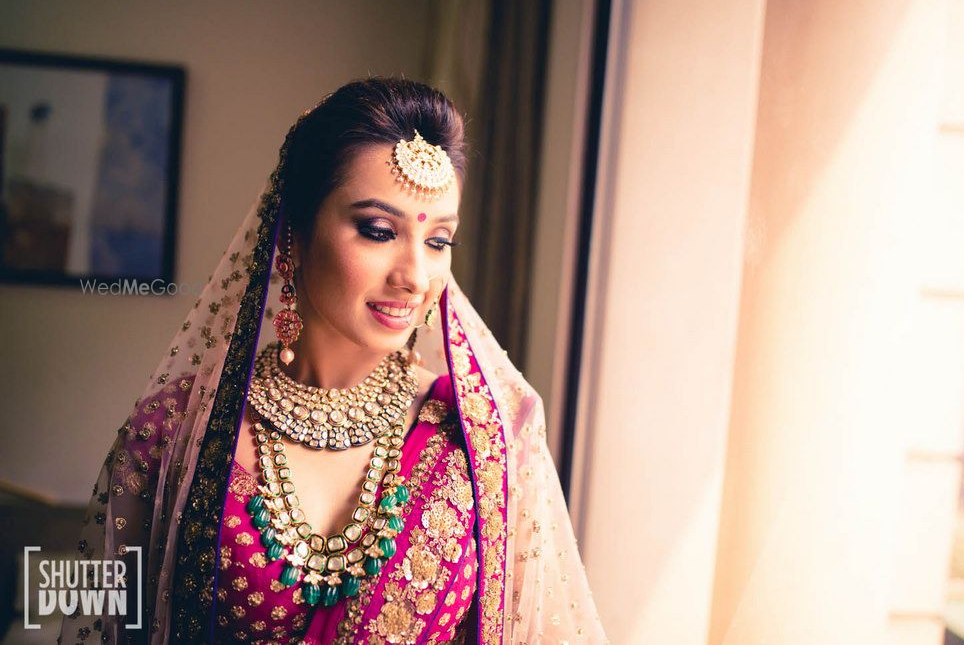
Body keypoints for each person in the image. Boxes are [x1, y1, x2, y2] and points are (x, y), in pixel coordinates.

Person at [60, 77, 606, 644]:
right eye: (377, 231)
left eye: (439, 241)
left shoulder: (487, 437)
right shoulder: (172, 432)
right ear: (294, 233)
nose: (415, 277)